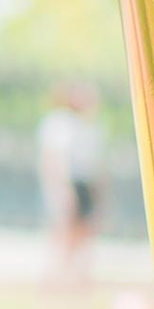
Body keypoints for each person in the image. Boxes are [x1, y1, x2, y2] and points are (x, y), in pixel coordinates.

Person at [36, 82, 103, 290]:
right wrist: (62, 189)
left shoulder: (88, 126)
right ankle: (55, 276)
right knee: (64, 231)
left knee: (83, 231)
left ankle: (75, 276)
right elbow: (53, 159)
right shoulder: (60, 124)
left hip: (82, 183)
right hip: (68, 183)